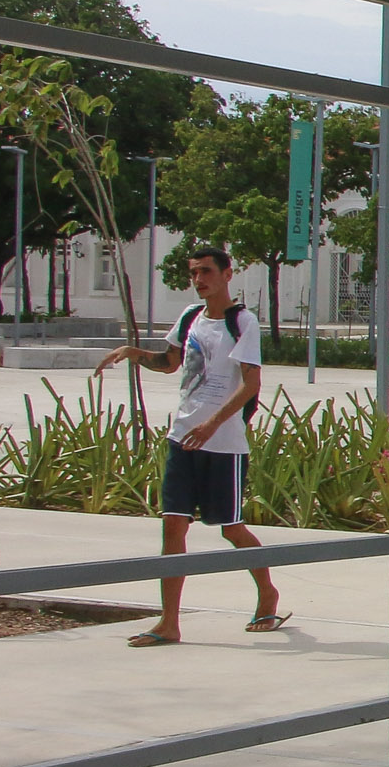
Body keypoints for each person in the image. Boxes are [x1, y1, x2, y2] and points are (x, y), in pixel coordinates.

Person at [98, 244, 280, 645]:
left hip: (224, 444)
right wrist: (132, 352)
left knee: (230, 528)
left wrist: (213, 424)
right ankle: (168, 622)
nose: (198, 280)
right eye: (194, 273)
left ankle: (267, 592)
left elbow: (251, 384)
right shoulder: (189, 318)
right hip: (182, 438)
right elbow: (170, 362)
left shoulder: (242, 322)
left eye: (206, 272)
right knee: (173, 526)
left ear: (227, 273)